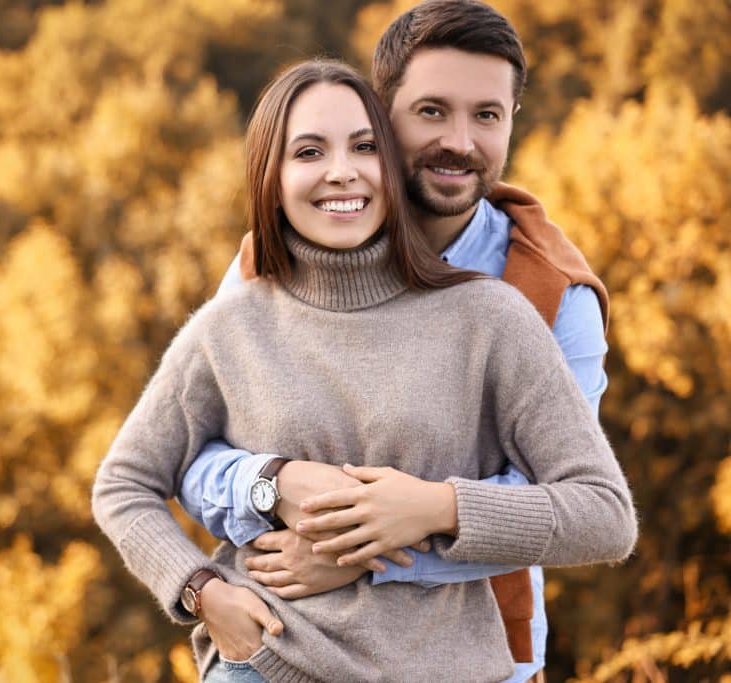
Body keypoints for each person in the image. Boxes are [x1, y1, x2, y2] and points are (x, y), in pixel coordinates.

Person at [92, 58, 636, 683]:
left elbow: (604, 516)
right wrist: (201, 590)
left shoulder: (491, 317)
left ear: (391, 167)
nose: (341, 171)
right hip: (269, 664)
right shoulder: (232, 323)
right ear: (270, 175)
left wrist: (440, 509)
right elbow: (124, 484)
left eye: (364, 146)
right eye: (309, 151)